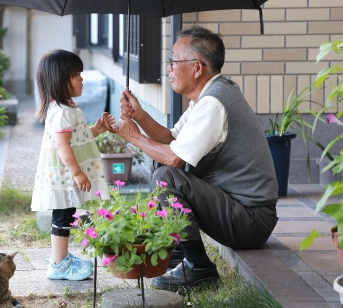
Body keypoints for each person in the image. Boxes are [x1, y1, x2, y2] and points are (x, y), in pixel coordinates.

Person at [110, 25, 278, 291]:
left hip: (251, 221)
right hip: (241, 212)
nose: (169, 68)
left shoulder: (214, 103)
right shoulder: (207, 97)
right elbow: (170, 138)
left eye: (173, 61)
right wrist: (139, 116)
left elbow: (174, 160)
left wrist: (134, 138)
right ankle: (179, 250)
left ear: (197, 67)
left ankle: (199, 267)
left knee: (166, 175)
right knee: (159, 164)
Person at [31, 49, 110, 281]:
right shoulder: (63, 112)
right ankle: (59, 264)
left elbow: (76, 140)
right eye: (77, 74)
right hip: (64, 176)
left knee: (65, 215)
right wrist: (78, 173)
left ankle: (61, 258)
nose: (82, 79)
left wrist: (96, 130)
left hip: (64, 176)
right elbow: (62, 147)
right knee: (62, 218)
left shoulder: (66, 109)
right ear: (62, 80)